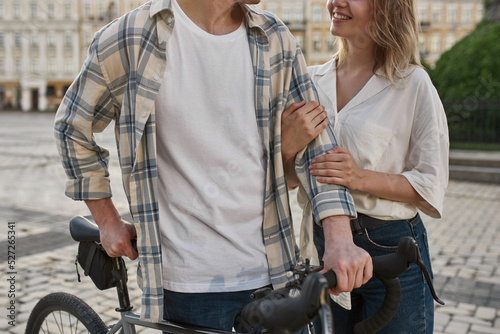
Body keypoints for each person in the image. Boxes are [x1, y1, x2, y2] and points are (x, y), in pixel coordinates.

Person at [54, 0, 372, 331]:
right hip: (191, 286)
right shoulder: (130, 38)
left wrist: (339, 237)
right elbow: (71, 127)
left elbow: (319, 144)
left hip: (276, 274)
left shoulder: (275, 37)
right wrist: (106, 220)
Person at [281, 0, 449, 333]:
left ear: (387, 8)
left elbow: (430, 183)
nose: (335, 3)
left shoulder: (412, 84)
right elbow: (287, 182)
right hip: (321, 246)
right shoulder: (309, 82)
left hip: (392, 249)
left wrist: (359, 177)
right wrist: (286, 149)